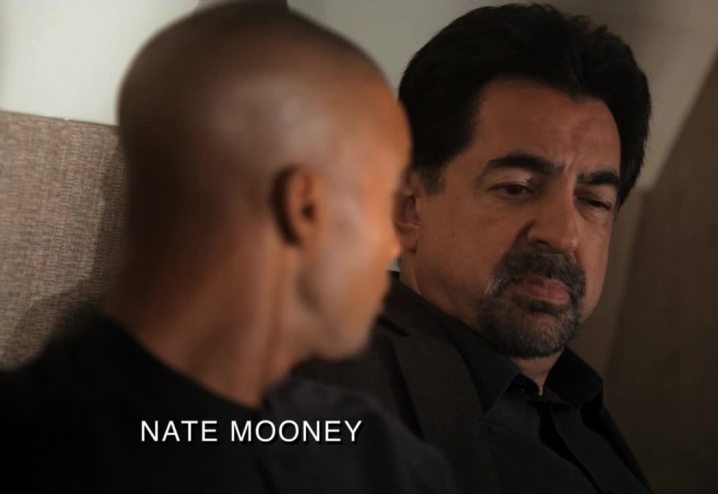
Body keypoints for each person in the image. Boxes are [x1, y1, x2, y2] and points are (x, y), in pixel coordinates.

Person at [0, 4, 456, 493]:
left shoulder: (379, 452)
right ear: (303, 207)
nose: (392, 242)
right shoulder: (375, 462)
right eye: (380, 199)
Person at [299, 4, 652, 494]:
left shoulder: (578, 407)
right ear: (409, 209)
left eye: (594, 201)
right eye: (517, 188)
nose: (563, 235)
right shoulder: (315, 389)